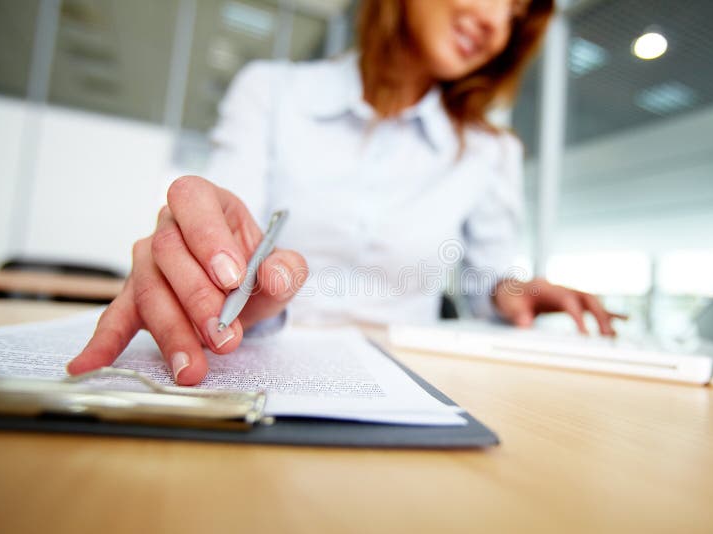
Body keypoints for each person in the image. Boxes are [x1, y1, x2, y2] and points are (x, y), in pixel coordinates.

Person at [67, 0, 623, 386]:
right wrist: (201, 256)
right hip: (254, 363)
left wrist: (515, 289)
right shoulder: (271, 93)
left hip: (412, 382)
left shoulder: (487, 151)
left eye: (517, 12)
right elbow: (223, 231)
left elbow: (484, 282)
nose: (496, 22)